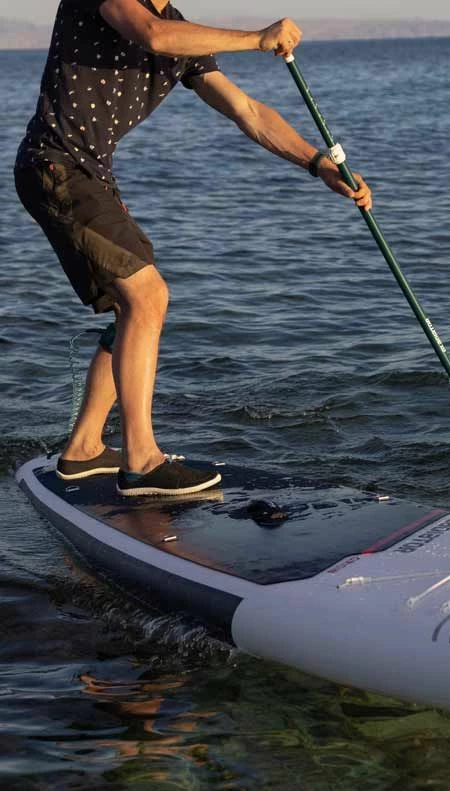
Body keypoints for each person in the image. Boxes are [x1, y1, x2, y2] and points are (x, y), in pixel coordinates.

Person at [14, 2, 372, 497]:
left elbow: (247, 111)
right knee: (147, 297)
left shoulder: (180, 31)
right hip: (57, 167)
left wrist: (317, 164)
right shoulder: (141, 18)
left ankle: (85, 448)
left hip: (88, 175)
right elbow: (153, 35)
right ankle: (142, 462)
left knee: (132, 308)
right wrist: (257, 38)